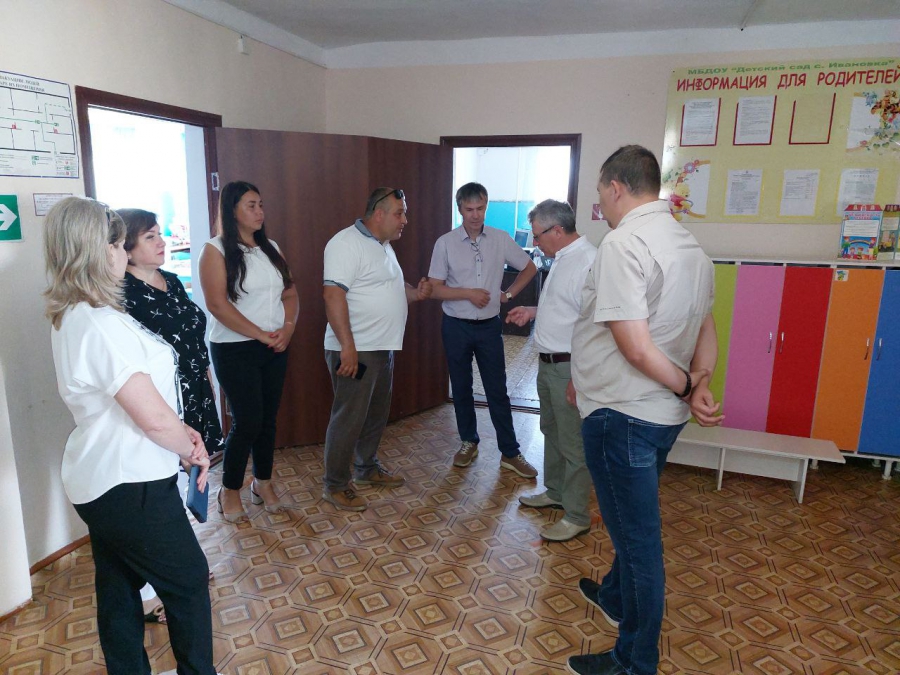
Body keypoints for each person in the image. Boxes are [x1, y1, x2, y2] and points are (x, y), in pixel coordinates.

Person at [44, 197, 215, 675]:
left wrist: (180, 428)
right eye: (119, 245)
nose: (123, 253)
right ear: (100, 251)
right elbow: (151, 419)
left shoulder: (77, 313)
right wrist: (191, 448)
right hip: (129, 483)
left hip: (103, 479)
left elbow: (142, 404)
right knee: (188, 579)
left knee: (118, 585)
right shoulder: (100, 324)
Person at [567, 145, 721, 675]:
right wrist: (699, 383)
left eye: (600, 194)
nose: (601, 206)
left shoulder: (623, 243)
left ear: (615, 187)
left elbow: (634, 347)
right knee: (630, 523)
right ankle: (614, 596)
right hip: (658, 419)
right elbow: (705, 326)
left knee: (638, 544)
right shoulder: (689, 245)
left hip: (623, 415)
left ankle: (634, 662)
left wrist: (686, 385)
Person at [119, 208, 223, 624]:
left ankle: (182, 567)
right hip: (159, 401)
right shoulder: (120, 295)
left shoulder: (173, 281)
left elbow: (193, 340)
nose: (162, 242)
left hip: (193, 393)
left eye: (160, 234)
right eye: (150, 237)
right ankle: (153, 589)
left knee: (187, 480)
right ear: (126, 249)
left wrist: (208, 383)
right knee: (160, 490)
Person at [322, 187, 431, 511]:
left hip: (382, 348)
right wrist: (348, 347)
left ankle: (366, 468)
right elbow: (332, 295)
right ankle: (335, 484)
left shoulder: (383, 246)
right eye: (400, 213)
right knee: (349, 417)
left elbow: (389, 289)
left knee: (374, 414)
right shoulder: (345, 243)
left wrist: (415, 294)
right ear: (379, 214)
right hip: (356, 350)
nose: (405, 220)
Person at [198, 181, 299, 522]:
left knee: (268, 419)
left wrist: (288, 328)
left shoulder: (271, 247)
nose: (260, 212)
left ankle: (263, 483)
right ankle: (229, 490)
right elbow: (217, 304)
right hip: (234, 348)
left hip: (274, 345)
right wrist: (259, 334)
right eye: (251, 205)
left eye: (261, 205)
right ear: (232, 210)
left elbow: (290, 294)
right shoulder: (214, 250)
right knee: (248, 421)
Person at [428, 182, 539, 477]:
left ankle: (510, 452)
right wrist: (468, 293)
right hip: (455, 326)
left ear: (486, 206)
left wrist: (508, 295)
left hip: (489, 327)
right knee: (461, 386)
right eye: (469, 209)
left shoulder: (500, 239)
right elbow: (435, 289)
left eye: (480, 208)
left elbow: (529, 267)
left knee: (496, 389)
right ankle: (469, 441)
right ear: (460, 209)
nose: (475, 215)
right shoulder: (445, 243)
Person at [505, 199, 596, 542]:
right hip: (548, 364)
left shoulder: (588, 262)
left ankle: (576, 515)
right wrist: (533, 310)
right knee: (552, 431)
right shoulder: (561, 258)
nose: (535, 241)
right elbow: (566, 307)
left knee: (573, 443)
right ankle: (556, 492)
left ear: (557, 230)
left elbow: (593, 326)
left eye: (538, 235)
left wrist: (579, 377)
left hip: (569, 367)